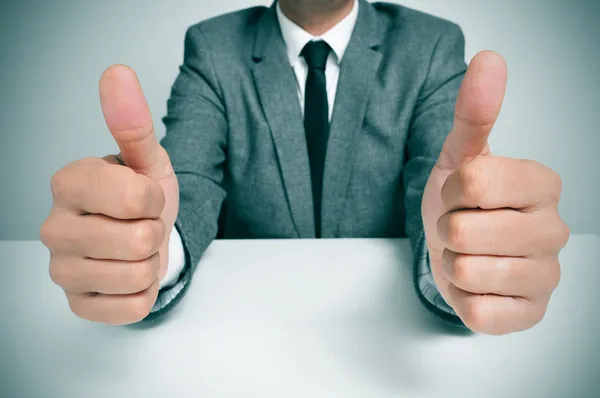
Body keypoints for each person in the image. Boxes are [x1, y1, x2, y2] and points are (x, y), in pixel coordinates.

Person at [40, 0, 569, 335]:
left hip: (382, 330)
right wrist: (154, 250)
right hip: (247, 336)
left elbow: (440, 175)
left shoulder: (430, 44)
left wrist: (456, 254)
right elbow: (189, 180)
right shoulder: (212, 46)